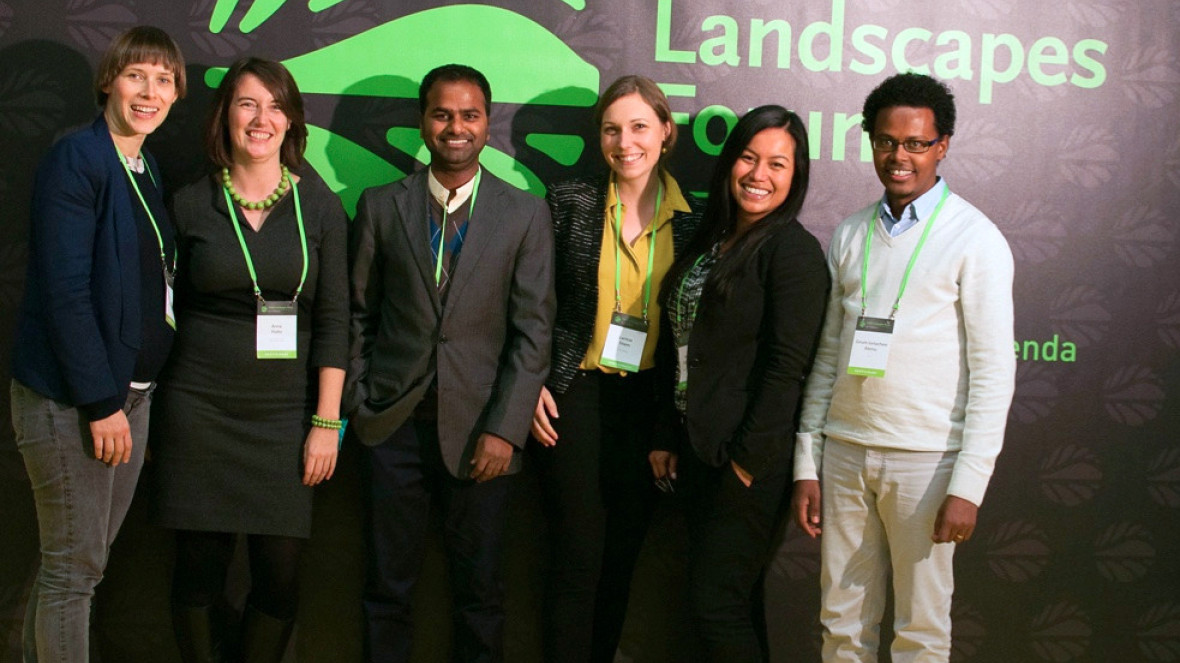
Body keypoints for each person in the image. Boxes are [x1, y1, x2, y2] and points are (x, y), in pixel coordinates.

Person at [790, 73, 1016, 662]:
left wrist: (968, 485)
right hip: (842, 456)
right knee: (841, 625)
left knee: (920, 632)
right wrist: (806, 462)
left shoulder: (977, 239)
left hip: (928, 463)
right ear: (870, 141)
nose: (900, 156)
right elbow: (826, 361)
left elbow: (994, 374)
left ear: (943, 146)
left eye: (916, 143)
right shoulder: (850, 232)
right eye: (887, 141)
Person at [347, 63, 554, 663]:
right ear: (423, 122)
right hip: (391, 429)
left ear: (488, 123)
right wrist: (363, 405)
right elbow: (359, 314)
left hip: (481, 433)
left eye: (470, 115)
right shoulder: (382, 205)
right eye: (442, 114)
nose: (455, 127)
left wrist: (503, 429)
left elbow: (532, 333)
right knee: (386, 590)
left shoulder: (524, 214)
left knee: (481, 596)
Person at [149, 57, 348, 662]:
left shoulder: (321, 208)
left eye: (276, 106)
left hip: (287, 417)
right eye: (247, 104)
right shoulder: (188, 206)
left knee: (280, 577)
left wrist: (325, 422)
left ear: (291, 121)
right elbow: (159, 316)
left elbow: (337, 320)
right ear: (225, 117)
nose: (262, 119)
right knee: (198, 572)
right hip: (199, 409)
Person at [9, 25, 185, 662]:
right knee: (72, 574)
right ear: (109, 79)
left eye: (164, 79)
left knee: (76, 567)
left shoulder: (142, 164)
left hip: (130, 399)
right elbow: (66, 293)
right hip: (76, 402)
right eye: (136, 74)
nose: (149, 91)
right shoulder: (78, 159)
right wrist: (101, 402)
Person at [531, 74, 704, 663]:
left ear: (665, 133)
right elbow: (533, 305)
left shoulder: (697, 220)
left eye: (638, 126)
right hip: (572, 397)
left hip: (652, 409)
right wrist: (534, 385)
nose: (624, 141)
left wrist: (670, 425)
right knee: (578, 558)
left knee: (621, 559)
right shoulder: (570, 202)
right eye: (611, 128)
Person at [655, 105, 828, 661]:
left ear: (795, 176)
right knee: (730, 603)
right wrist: (668, 432)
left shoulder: (792, 251)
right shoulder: (713, 237)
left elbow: (786, 369)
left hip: (749, 461)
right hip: (697, 448)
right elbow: (678, 345)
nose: (759, 174)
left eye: (777, 164)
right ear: (730, 162)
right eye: (749, 158)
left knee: (716, 608)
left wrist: (746, 463)